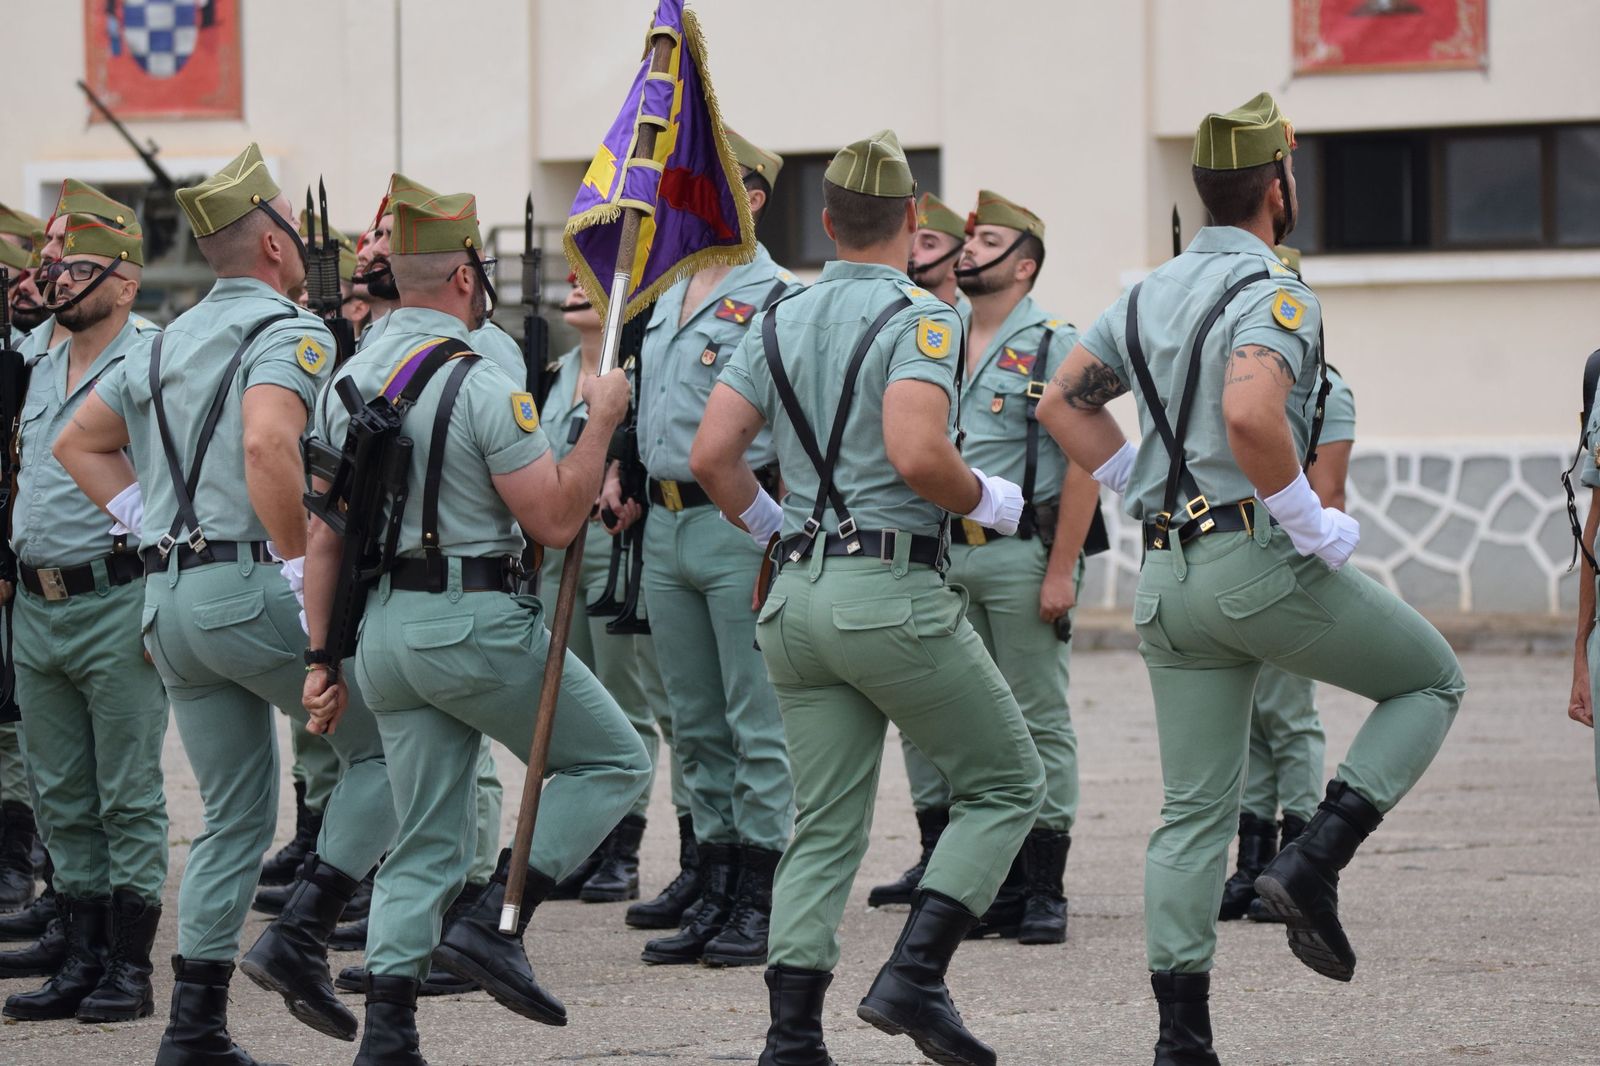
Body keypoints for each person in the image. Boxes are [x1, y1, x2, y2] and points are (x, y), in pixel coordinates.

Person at [1037, 93, 1465, 1062]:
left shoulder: (1142, 295)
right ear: (1278, 185)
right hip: (1248, 562)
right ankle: (1314, 858)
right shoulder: (1277, 292)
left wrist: (1136, 478)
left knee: (1190, 812)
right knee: (1432, 678)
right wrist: (1308, 519)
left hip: (1165, 576)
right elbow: (1248, 413)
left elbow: (1061, 404)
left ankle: (1180, 1038)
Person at [692, 128, 1045, 1066]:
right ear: (912, 221)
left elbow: (711, 458)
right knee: (1010, 782)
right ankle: (916, 977)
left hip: (796, 602)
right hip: (887, 591)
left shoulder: (775, 316)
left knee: (825, 825)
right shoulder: (924, 319)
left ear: (824, 220)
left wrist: (778, 532)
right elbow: (918, 453)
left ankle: (792, 1037)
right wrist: (994, 498)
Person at [54, 144, 400, 1063]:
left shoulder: (164, 338)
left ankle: (194, 1027)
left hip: (170, 606)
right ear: (279, 247)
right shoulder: (292, 331)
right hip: (254, 590)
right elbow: (266, 449)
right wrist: (300, 575)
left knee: (235, 816)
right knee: (390, 753)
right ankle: (302, 933)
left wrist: (152, 522)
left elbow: (76, 443)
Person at [298, 190, 650, 1063]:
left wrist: (322, 657)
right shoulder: (487, 384)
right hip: (474, 622)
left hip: (383, 634)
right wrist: (601, 419)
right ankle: (499, 920)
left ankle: (388, 1034)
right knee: (614, 761)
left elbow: (322, 536)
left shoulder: (347, 381)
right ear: (463, 276)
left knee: (423, 829)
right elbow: (558, 519)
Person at [617, 128, 801, 968]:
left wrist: (778, 525)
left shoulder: (776, 296)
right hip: (663, 521)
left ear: (751, 198)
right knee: (693, 719)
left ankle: (761, 893)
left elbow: (793, 423)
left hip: (737, 517)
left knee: (751, 715)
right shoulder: (669, 288)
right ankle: (716, 876)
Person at [0, 182, 168, 1026]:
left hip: (117, 594)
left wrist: (162, 599)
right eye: (57, 265)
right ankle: (82, 951)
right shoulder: (31, 357)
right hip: (37, 602)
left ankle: (129, 970)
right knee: (61, 790)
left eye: (82, 268)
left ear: (128, 281)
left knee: (127, 792)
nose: (60, 279)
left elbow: (181, 486)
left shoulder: (153, 359)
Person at [1218, 246, 1359, 925]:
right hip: (1230, 559)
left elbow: (1327, 489)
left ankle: (1299, 856)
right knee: (1251, 721)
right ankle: (1252, 862)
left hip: (1287, 558)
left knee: (1290, 718)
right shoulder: (1227, 385)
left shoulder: (1326, 388)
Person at [537, 276, 685, 905]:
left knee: (624, 702)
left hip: (607, 547)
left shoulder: (634, 367)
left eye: (588, 275)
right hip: (550, 555)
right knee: (568, 703)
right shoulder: (551, 371)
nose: (575, 282)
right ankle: (584, 844)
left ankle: (623, 851)